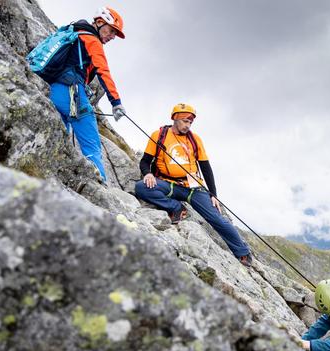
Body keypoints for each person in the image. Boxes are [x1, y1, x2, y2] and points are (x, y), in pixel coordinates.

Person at [134, 103, 253, 267]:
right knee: (141, 188)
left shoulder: (195, 140)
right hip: (168, 184)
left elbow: (206, 168)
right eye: (184, 121)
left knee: (216, 218)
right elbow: (145, 161)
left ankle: (243, 252)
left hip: (193, 188)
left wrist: (213, 195)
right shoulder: (159, 135)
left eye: (190, 122)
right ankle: (176, 208)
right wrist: (147, 173)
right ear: (175, 118)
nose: (187, 125)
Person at [45, 6, 126, 183]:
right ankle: (99, 188)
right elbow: (103, 71)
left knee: (59, 138)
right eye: (111, 31)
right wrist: (116, 102)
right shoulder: (92, 39)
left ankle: (51, 177)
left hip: (53, 90)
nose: (112, 37)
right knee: (92, 144)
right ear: (99, 22)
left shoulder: (74, 32)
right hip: (72, 92)